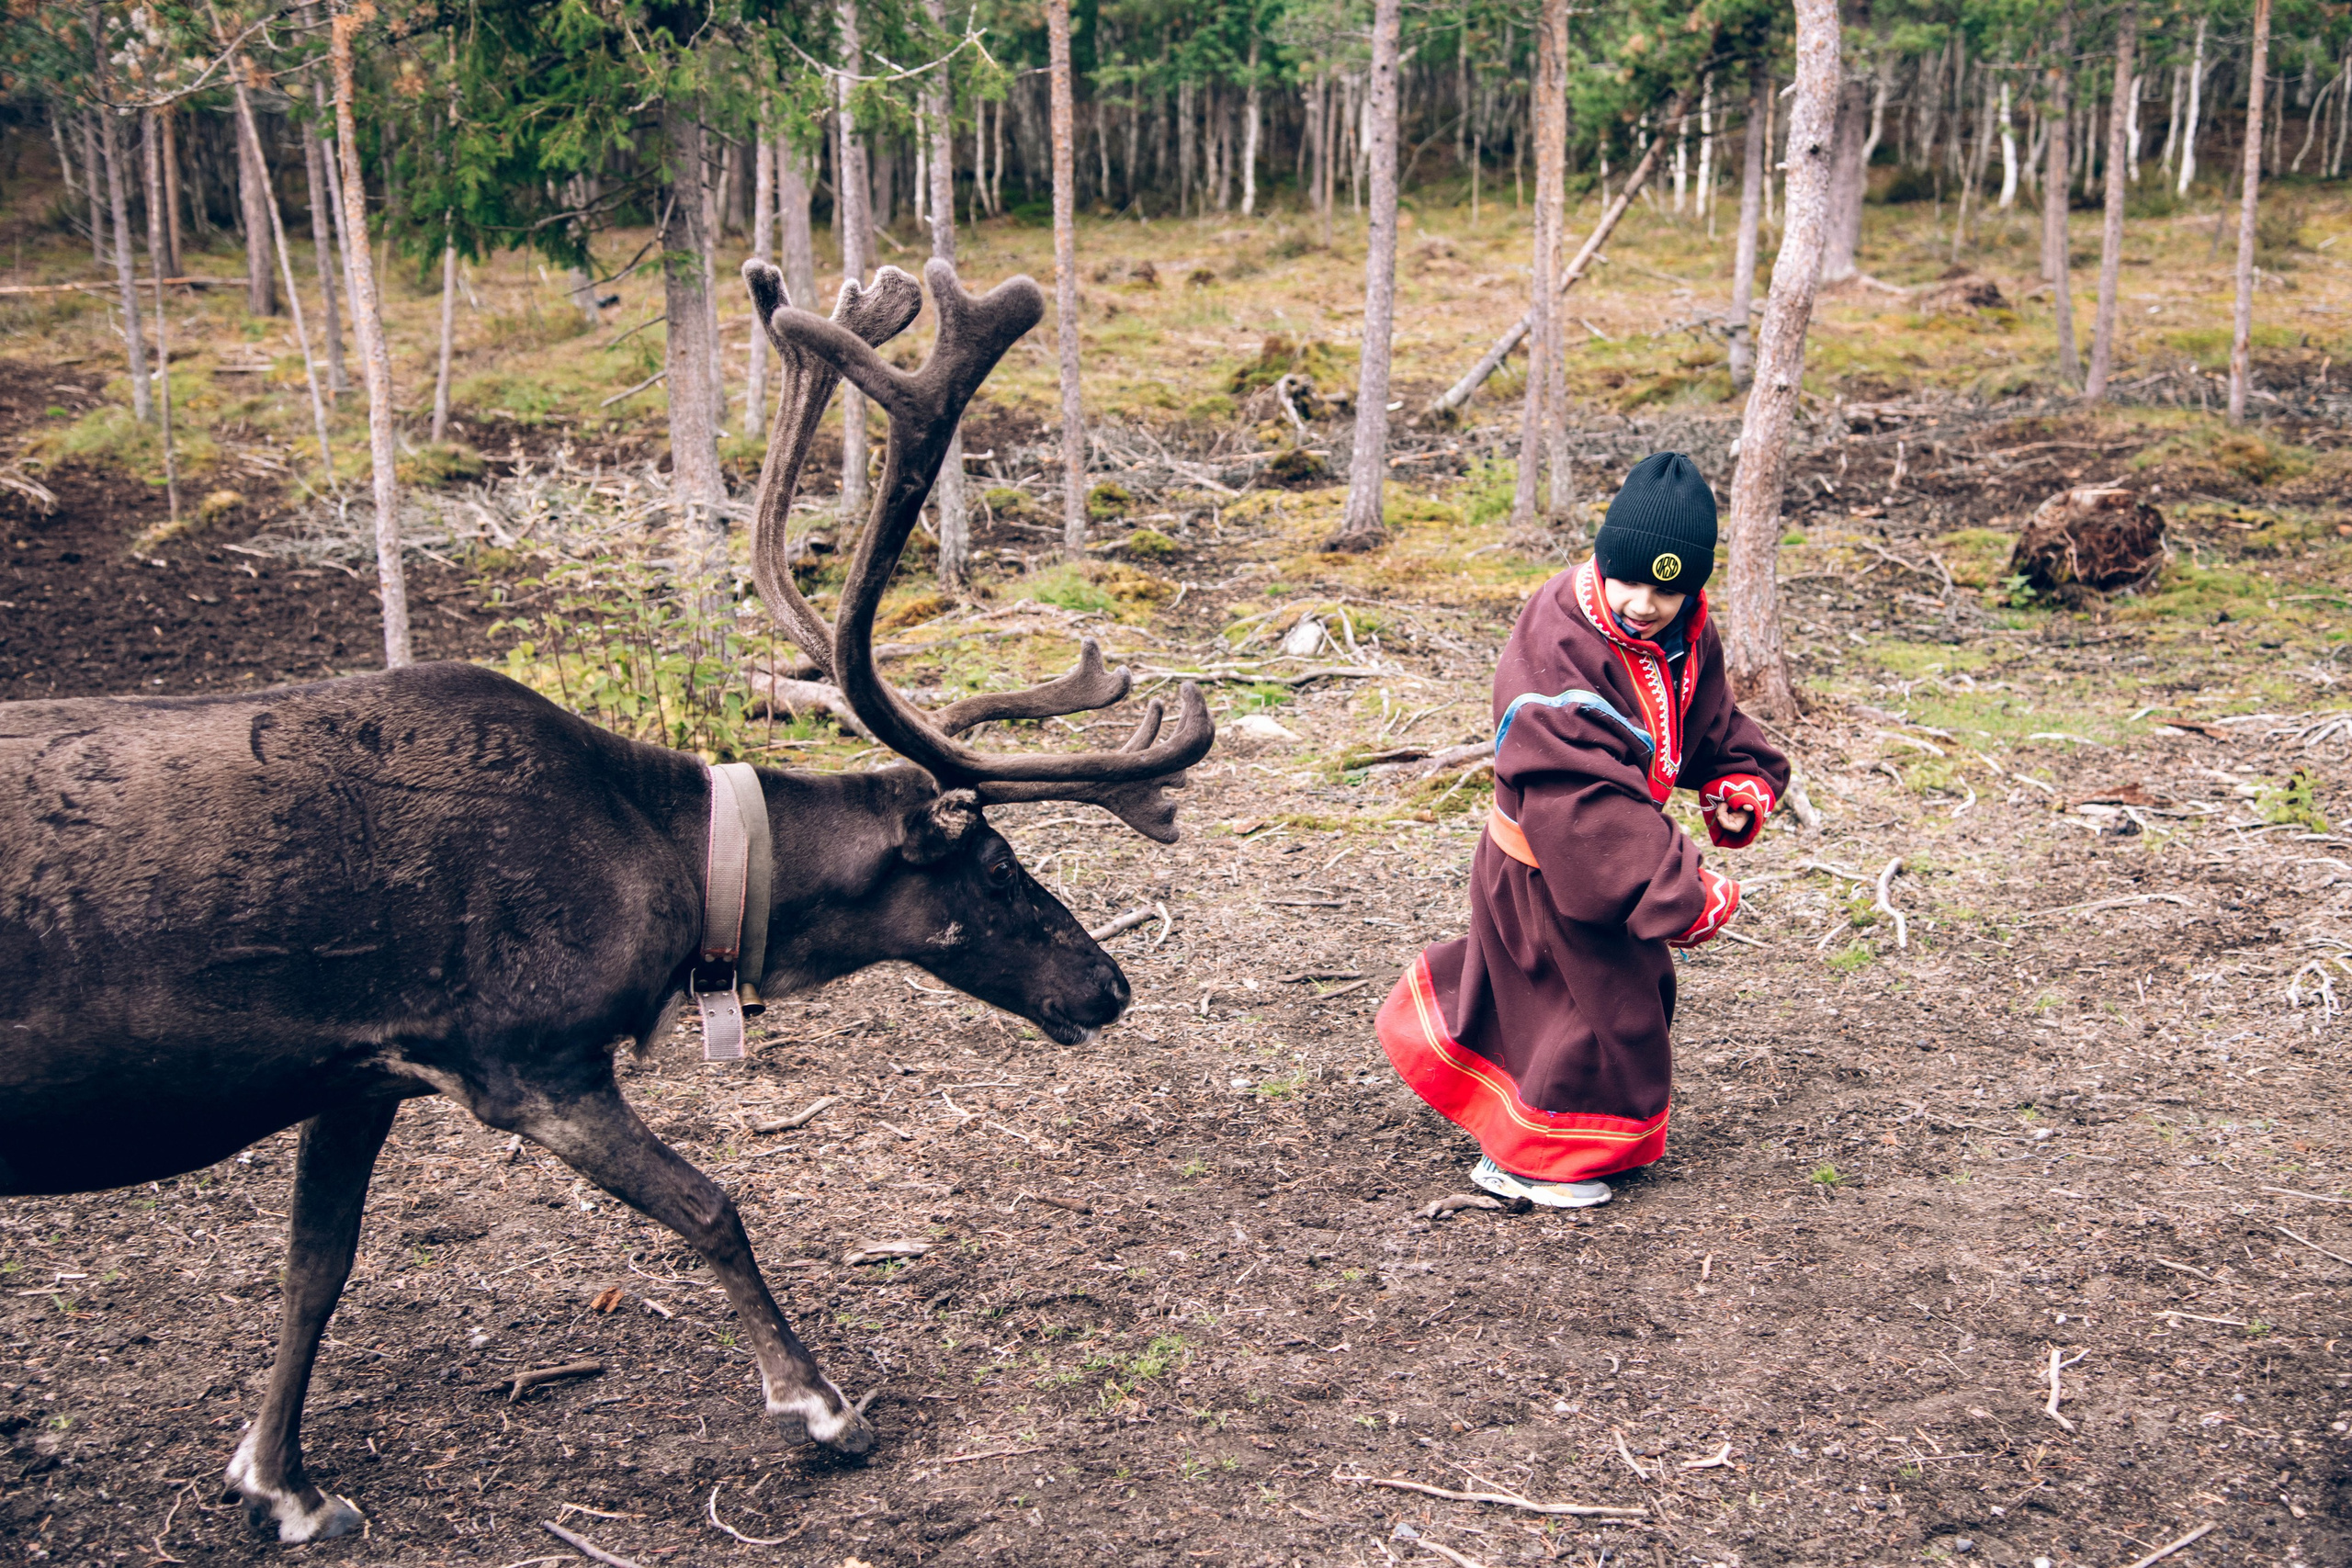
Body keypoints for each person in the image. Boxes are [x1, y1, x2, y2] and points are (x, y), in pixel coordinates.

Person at [1375, 452, 1790, 1208]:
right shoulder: (1560, 639)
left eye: (1668, 587)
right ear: (1603, 556)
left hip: (1601, 856)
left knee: (1571, 1009)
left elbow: (1706, 718)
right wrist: (1677, 885)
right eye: (1630, 578)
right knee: (1598, 1012)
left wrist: (1738, 776)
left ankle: (1556, 1146)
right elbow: (1579, 791)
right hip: (1556, 858)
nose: (1644, 602)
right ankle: (1527, 1163)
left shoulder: (1685, 631)